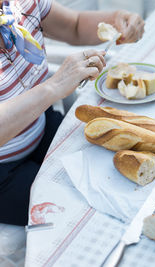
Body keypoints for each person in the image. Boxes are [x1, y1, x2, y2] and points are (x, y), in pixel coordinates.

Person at [0, 0, 145, 226]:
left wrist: (117, 20)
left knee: (114, 171)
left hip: (40, 128)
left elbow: (74, 26)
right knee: (77, 210)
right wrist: (54, 86)